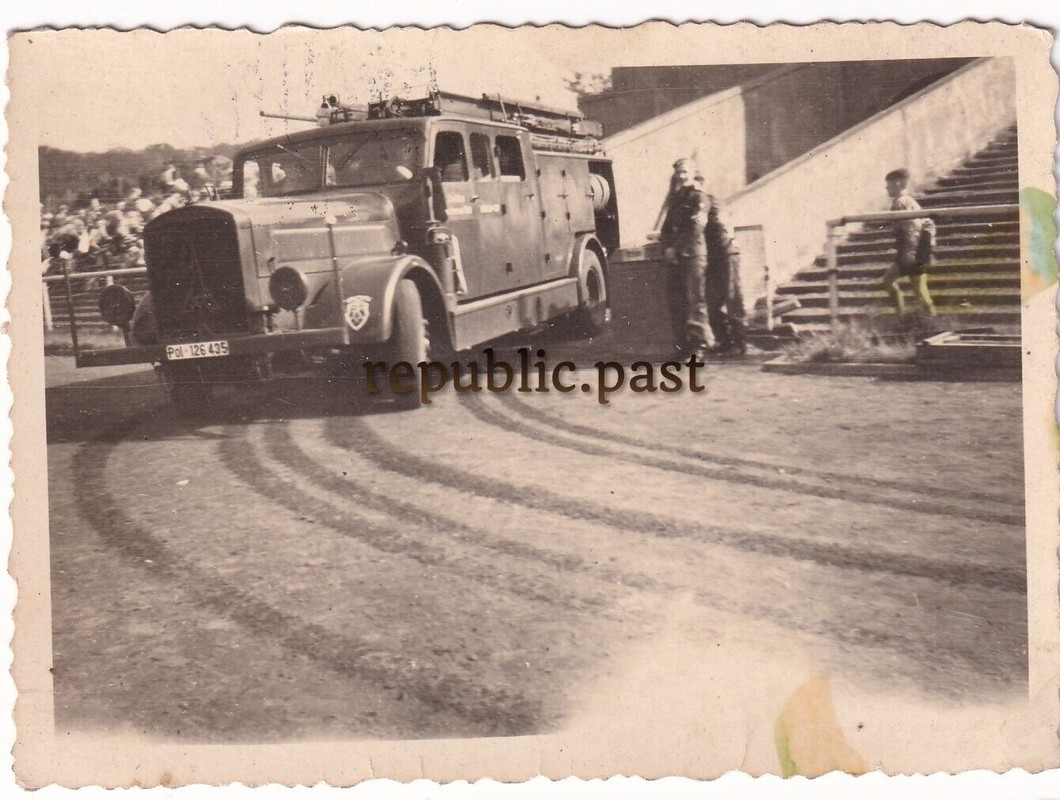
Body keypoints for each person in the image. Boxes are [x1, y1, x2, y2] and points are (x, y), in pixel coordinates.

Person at [660, 158, 711, 361]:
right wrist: (667, 249)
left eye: (685, 172)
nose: (681, 176)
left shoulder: (699, 198)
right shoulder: (676, 198)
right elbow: (665, 229)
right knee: (676, 301)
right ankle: (682, 346)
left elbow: (696, 229)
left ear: (693, 172)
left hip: (693, 257)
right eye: (679, 173)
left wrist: (677, 249)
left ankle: (698, 347)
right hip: (675, 258)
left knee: (695, 301)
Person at [698, 174, 746, 356]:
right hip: (713, 256)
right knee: (711, 300)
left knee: (732, 298)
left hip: (726, 254)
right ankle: (724, 339)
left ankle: (738, 342)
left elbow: (699, 225)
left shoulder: (710, 203)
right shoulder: (698, 203)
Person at [879, 168, 936, 318]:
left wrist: (908, 253)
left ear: (897, 183)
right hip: (916, 250)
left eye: (889, 185)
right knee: (918, 290)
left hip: (911, 251)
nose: (886, 188)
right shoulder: (909, 201)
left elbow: (912, 229)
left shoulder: (901, 203)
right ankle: (908, 316)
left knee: (891, 282)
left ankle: (903, 315)